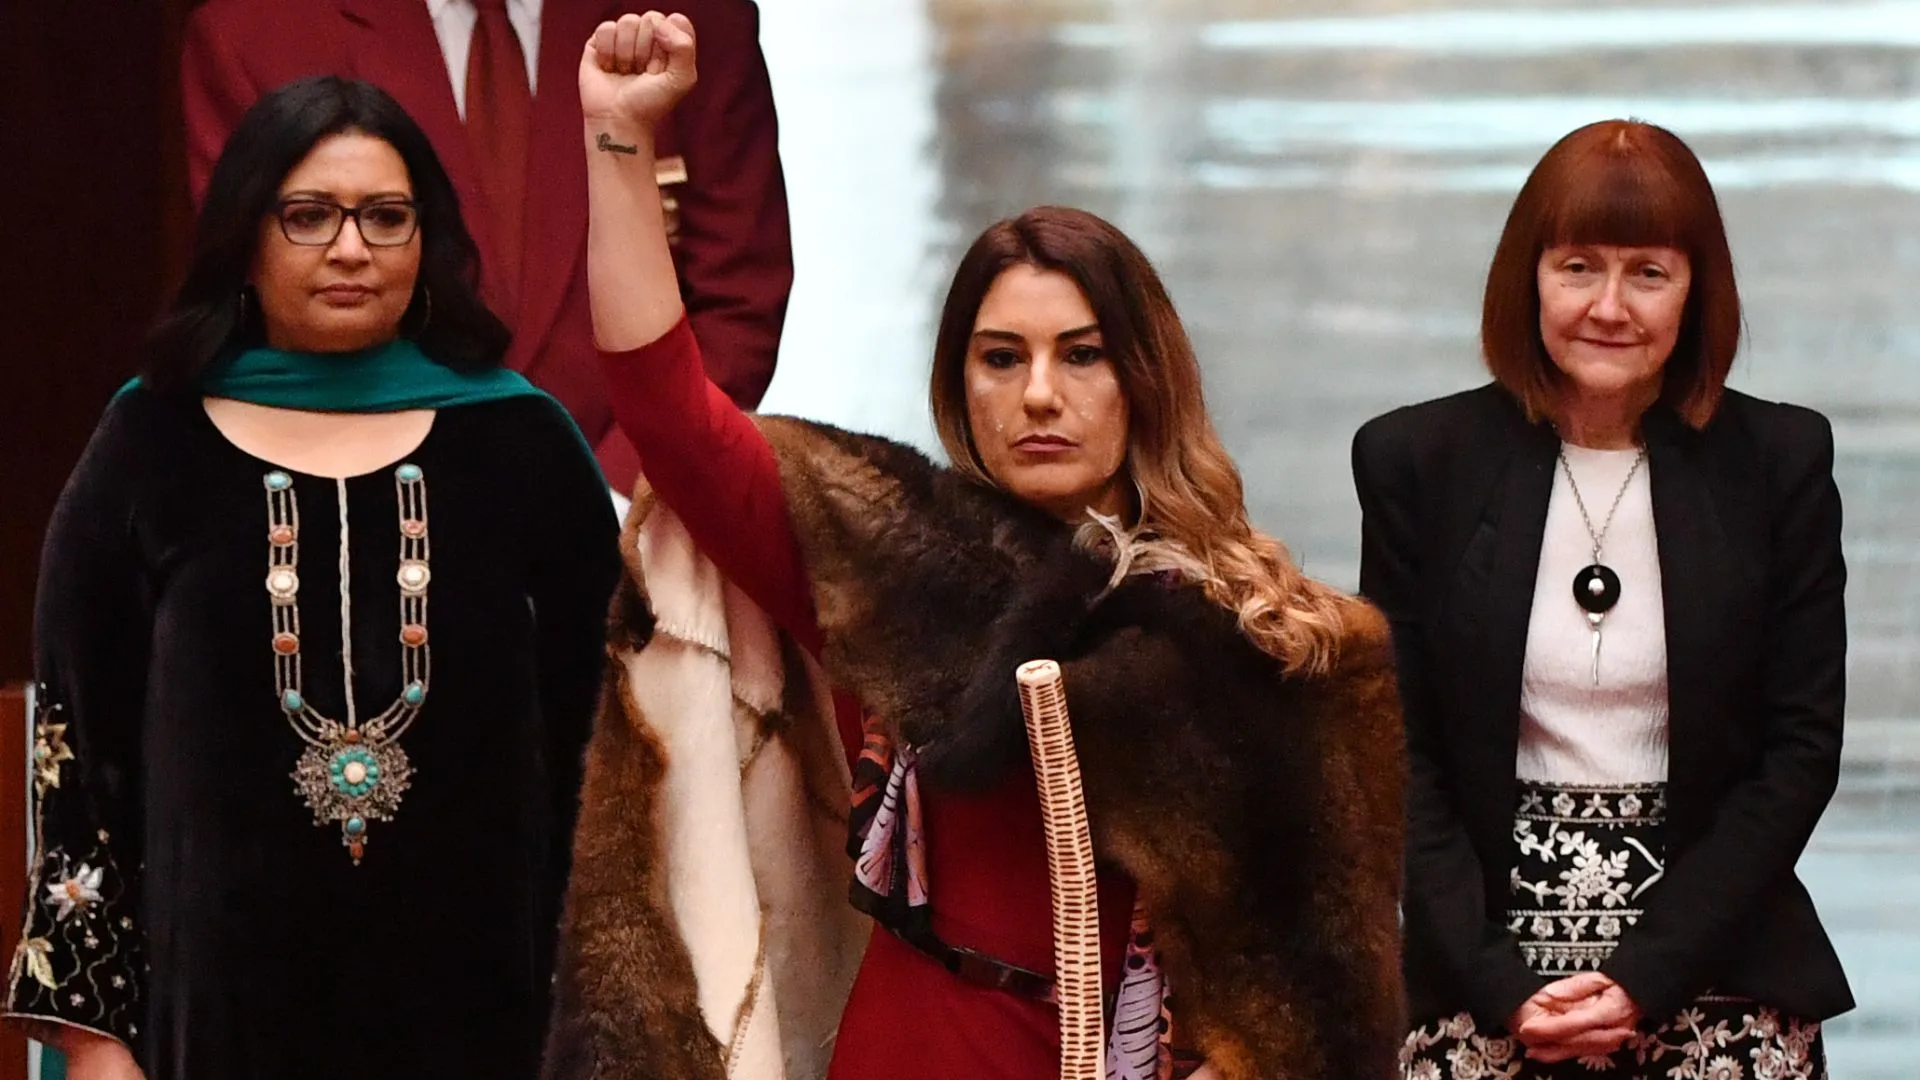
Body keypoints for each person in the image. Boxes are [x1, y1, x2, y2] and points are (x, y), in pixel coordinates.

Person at [561, 13, 1405, 1080]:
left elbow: (1324, 986)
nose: (1039, 394)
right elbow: (667, 410)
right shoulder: (892, 561)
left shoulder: (1267, 629)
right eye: (1000, 357)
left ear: (1144, 378)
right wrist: (619, 136)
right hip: (919, 1048)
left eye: (1081, 355)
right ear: (961, 383)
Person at [3, 76, 620, 1080]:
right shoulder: (148, 444)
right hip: (216, 1027)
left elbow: (609, 747)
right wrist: (94, 1042)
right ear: (246, 240)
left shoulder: (523, 445)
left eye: (386, 216)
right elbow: (79, 762)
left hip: (493, 1023)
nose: (349, 248)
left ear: (427, 243)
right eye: (308, 216)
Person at [1352, 119, 1852, 1079]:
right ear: (1527, 278)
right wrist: (1503, 985)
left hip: (1717, 971)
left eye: (1649, 273)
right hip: (1487, 975)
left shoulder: (1778, 462)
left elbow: (1799, 754)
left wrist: (1643, 977)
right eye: (1578, 266)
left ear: (1697, 290)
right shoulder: (1418, 461)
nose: (1609, 307)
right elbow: (1397, 754)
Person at [181, 0, 795, 493]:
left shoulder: (691, 20)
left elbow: (738, 300)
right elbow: (262, 297)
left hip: (635, 531)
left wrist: (607, 497)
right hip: (365, 512)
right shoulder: (257, 28)